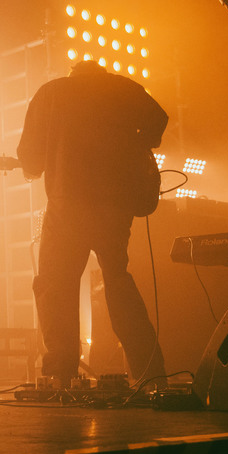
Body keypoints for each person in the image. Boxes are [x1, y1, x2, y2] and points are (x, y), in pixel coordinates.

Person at [17, 59, 167, 388]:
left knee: (56, 283)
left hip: (68, 203)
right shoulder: (126, 88)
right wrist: (137, 144)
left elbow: (29, 156)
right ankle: (151, 372)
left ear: (73, 73)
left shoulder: (51, 93)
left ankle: (61, 374)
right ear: (101, 73)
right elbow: (159, 120)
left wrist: (37, 164)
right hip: (115, 205)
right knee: (118, 279)